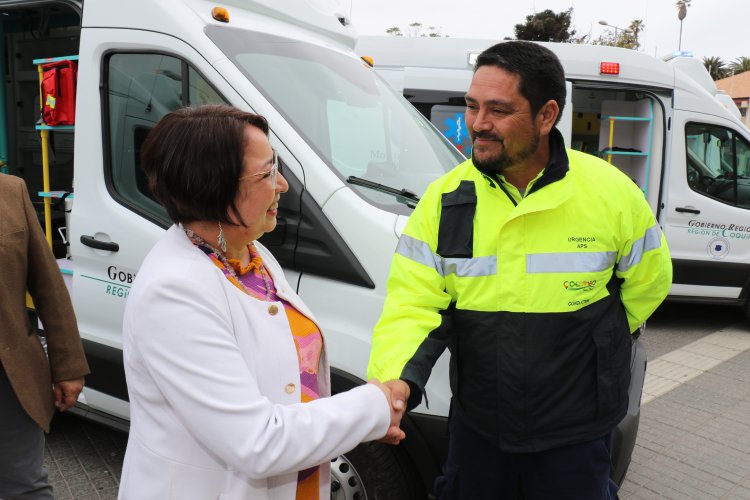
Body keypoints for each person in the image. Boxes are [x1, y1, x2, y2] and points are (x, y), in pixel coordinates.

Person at [368, 41, 673, 499]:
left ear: (547, 115)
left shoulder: (611, 192)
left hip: (576, 435)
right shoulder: (446, 199)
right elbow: (413, 302)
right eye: (472, 106)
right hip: (479, 432)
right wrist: (392, 381)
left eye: (498, 109)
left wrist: (597, 339)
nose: (478, 124)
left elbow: (649, 281)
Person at [118, 104, 405, 500]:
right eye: (267, 172)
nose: (282, 184)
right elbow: (256, 441)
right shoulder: (173, 291)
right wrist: (372, 406)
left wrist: (359, 419)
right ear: (213, 187)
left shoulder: (252, 255)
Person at [0, 173, 90, 499]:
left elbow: (48, 285)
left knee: (24, 487)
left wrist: (68, 366)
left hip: (8, 375)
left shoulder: (10, 191)